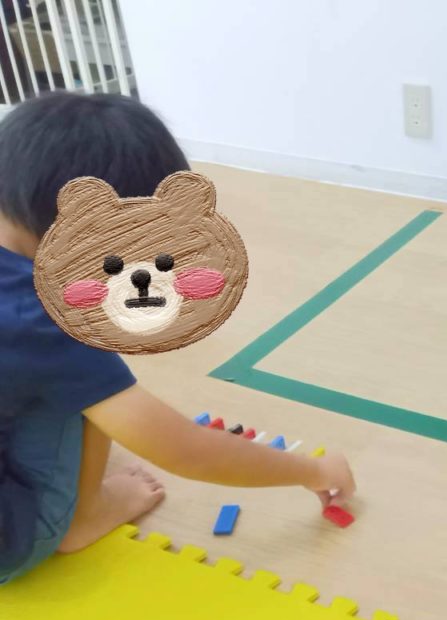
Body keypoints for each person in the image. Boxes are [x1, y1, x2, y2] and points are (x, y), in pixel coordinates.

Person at [0, 92, 355, 583]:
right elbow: (181, 449)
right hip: (10, 541)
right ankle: (85, 517)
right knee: (88, 369)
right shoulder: (47, 320)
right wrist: (312, 470)